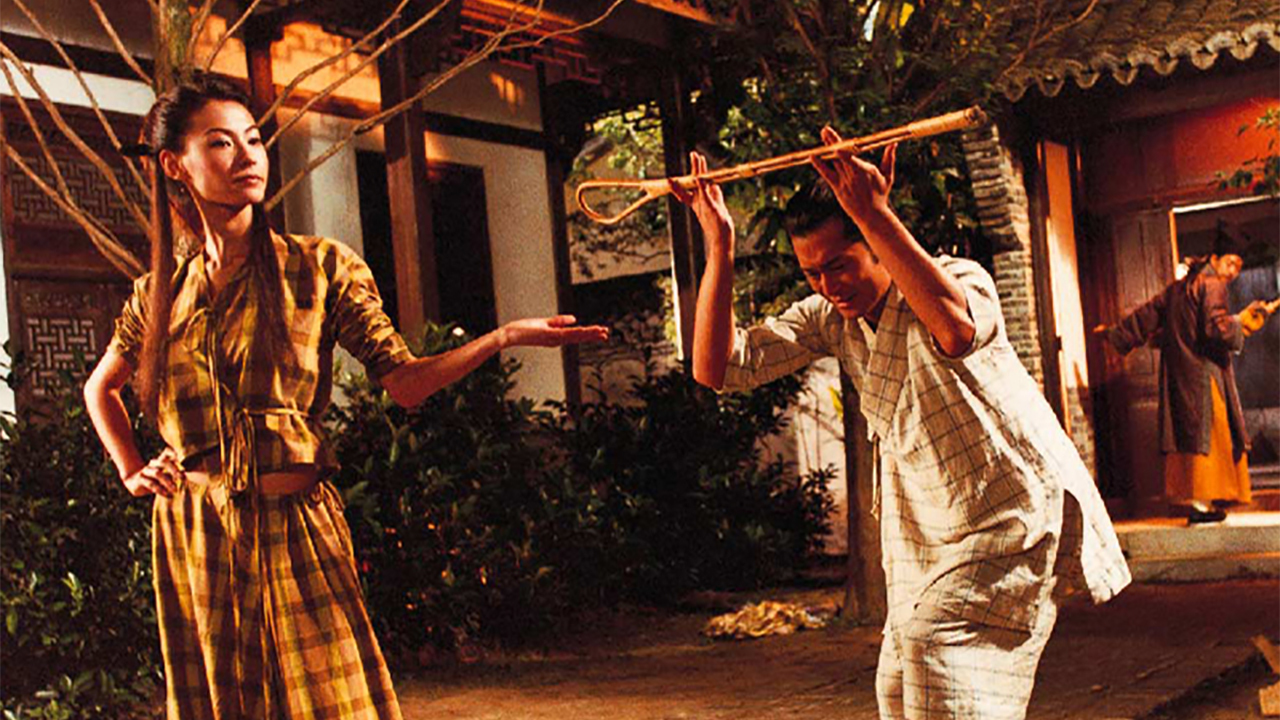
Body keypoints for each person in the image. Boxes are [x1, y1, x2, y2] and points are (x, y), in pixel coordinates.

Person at [82, 77, 607, 720]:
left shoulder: (320, 267)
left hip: (296, 525)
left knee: (334, 703)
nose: (247, 156)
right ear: (174, 165)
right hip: (196, 535)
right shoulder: (157, 294)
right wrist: (132, 468)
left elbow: (406, 382)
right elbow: (100, 388)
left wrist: (502, 338)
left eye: (253, 140)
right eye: (221, 143)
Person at [672, 131, 1131, 720]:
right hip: (929, 525)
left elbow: (956, 331)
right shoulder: (830, 319)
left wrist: (873, 212)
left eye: (839, 266)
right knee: (896, 681)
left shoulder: (957, 277)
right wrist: (719, 245)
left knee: (934, 648)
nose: (827, 286)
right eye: (812, 274)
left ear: (874, 245)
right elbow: (716, 368)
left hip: (1011, 511)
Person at [1097, 228, 1266, 524]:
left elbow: (1148, 314)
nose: (1233, 271)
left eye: (1238, 266)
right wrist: (1243, 322)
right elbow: (1215, 328)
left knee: (1191, 437)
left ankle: (1203, 504)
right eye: (1230, 263)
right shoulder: (1212, 284)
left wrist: (1116, 334)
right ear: (1214, 259)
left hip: (1181, 377)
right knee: (1213, 437)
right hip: (1204, 375)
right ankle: (1203, 504)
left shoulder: (1179, 287)